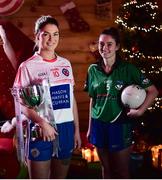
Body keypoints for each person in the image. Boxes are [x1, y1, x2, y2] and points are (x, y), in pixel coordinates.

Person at [7, 15, 81, 179]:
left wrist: (76, 130)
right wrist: (42, 123)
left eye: (55, 34)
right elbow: (21, 104)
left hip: (66, 129)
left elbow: (71, 99)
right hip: (41, 130)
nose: (51, 39)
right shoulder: (27, 66)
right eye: (46, 34)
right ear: (37, 36)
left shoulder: (65, 64)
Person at [84, 27, 159, 179]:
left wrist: (140, 110)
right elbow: (93, 99)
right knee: (106, 169)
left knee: (122, 171)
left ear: (117, 46)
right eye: (101, 44)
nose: (104, 48)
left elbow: (153, 91)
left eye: (109, 44)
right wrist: (90, 127)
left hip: (120, 124)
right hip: (99, 125)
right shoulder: (92, 70)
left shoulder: (128, 69)